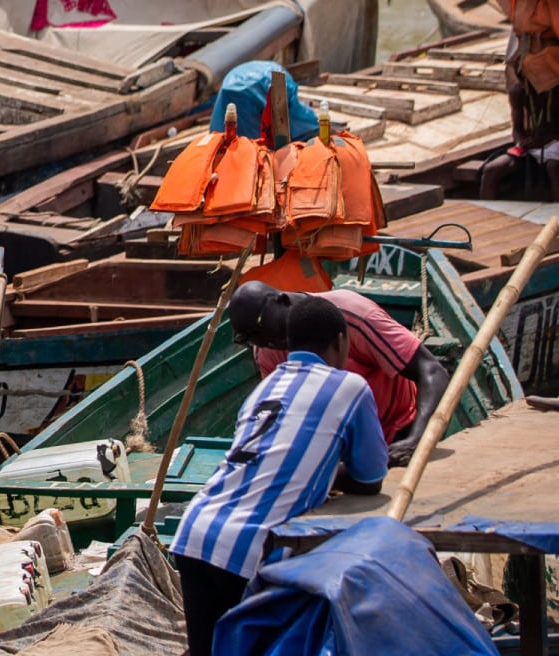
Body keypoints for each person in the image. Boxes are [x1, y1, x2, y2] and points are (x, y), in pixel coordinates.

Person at [171, 298, 388, 656]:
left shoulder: (264, 388)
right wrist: (327, 472)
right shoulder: (350, 387)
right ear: (341, 341)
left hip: (194, 533)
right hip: (247, 546)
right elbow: (371, 478)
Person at [227, 281, 451, 464]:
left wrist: (416, 439)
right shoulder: (267, 349)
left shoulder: (354, 314)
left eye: (260, 327)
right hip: (338, 447)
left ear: (282, 301)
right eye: (246, 338)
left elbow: (432, 371)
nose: (261, 340)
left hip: (398, 432)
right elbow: (284, 415)